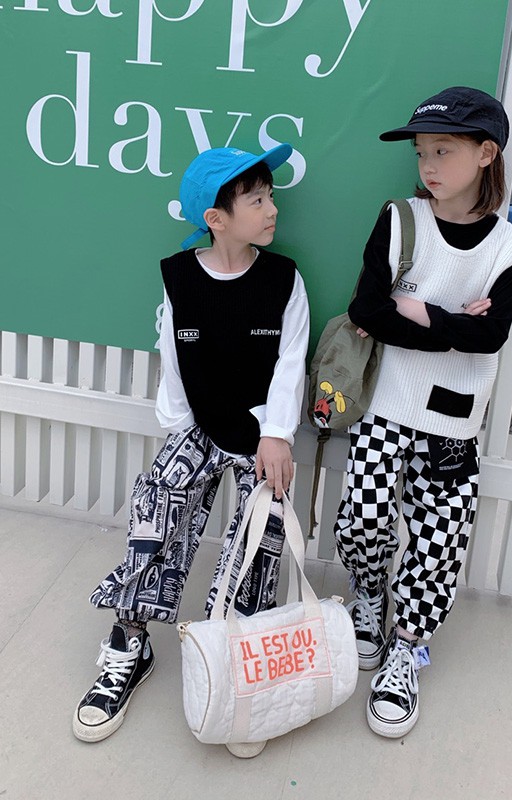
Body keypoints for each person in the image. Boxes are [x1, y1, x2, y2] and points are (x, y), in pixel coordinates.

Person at [72, 145, 310, 759]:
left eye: (270, 196)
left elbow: (291, 362)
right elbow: (172, 358)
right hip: (199, 426)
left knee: (259, 534)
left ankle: (234, 662)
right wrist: (180, 433)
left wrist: (277, 433)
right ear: (216, 218)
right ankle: (131, 642)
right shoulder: (179, 276)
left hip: (260, 434)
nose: (272, 209)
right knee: (158, 504)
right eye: (256, 200)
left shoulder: (284, 279)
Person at [333, 86, 512, 739]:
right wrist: (449, 327)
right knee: (362, 519)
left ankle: (407, 647)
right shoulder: (400, 220)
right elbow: (366, 310)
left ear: (487, 154)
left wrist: (417, 310)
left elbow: (491, 335)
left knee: (440, 539)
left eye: (443, 150)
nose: (429, 165)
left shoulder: (507, 247)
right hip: (386, 405)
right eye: (422, 152)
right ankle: (368, 595)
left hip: (454, 422)